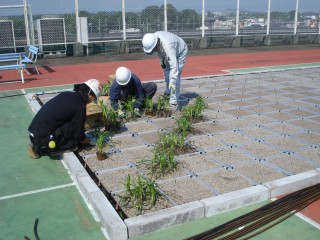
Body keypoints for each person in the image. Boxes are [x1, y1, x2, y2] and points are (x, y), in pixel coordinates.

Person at [27, 79, 102, 159]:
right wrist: (89, 140)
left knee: (71, 122)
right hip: (43, 141)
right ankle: (54, 149)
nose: (91, 102)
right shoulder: (79, 106)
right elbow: (79, 136)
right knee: (74, 138)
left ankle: (40, 145)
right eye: (93, 99)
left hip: (33, 134)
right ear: (90, 94)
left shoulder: (66, 94)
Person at [142, 31, 188, 108]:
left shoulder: (168, 46)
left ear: (156, 44)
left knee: (175, 77)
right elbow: (160, 51)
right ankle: (168, 92)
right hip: (170, 50)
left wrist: (172, 81)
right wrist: (162, 61)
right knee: (167, 72)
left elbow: (174, 68)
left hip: (181, 51)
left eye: (153, 49)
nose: (153, 51)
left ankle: (173, 102)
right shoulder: (154, 38)